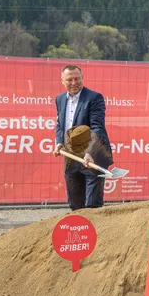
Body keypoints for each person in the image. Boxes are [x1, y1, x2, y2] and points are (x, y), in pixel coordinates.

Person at [52, 64, 113, 211]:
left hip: (93, 156)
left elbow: (97, 128)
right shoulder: (60, 99)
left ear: (82, 78)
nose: (74, 83)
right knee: (75, 204)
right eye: (69, 79)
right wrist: (59, 143)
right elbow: (60, 124)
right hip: (71, 157)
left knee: (92, 205)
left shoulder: (94, 98)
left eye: (77, 79)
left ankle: (97, 232)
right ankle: (79, 232)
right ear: (63, 81)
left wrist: (90, 153)